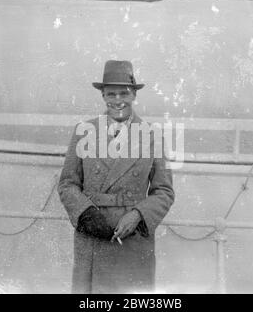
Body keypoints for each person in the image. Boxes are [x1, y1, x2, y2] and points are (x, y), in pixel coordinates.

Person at [58, 60, 175, 293]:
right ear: (103, 95)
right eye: (111, 93)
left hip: (132, 239)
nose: (118, 99)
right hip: (92, 236)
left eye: (124, 92)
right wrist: (86, 214)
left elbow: (164, 191)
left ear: (134, 95)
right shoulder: (84, 131)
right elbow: (67, 184)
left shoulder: (152, 136)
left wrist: (138, 215)